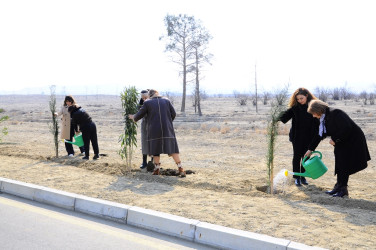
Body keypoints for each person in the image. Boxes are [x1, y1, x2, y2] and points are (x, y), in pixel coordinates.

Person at [305, 99, 371, 197]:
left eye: (314, 113)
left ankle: (343, 189)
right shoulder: (324, 118)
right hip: (342, 142)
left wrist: (335, 139)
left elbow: (347, 127)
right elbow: (319, 135)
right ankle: (339, 186)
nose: (313, 116)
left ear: (319, 110)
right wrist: (310, 149)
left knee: (344, 164)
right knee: (340, 163)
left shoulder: (335, 113)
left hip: (353, 141)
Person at [129, 89, 186, 177]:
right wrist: (168, 122)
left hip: (154, 129)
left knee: (155, 149)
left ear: (150, 95)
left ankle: (157, 169)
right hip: (167, 129)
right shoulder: (166, 100)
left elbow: (139, 115)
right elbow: (173, 114)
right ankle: (180, 168)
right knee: (173, 148)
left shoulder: (147, 102)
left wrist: (133, 117)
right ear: (157, 94)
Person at [279, 88, 319, 186]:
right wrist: (276, 116)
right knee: (297, 156)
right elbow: (284, 117)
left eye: (301, 98)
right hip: (297, 136)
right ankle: (297, 177)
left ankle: (303, 176)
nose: (300, 100)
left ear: (306, 95)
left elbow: (318, 120)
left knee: (306, 157)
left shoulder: (313, 106)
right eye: (297, 99)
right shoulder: (295, 108)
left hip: (310, 136)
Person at [138, 90, 153, 169]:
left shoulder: (153, 102)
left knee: (153, 143)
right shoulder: (141, 103)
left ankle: (153, 161)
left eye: (145, 97)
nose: (144, 99)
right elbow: (139, 113)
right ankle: (144, 162)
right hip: (144, 125)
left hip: (153, 125)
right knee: (144, 143)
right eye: (142, 98)